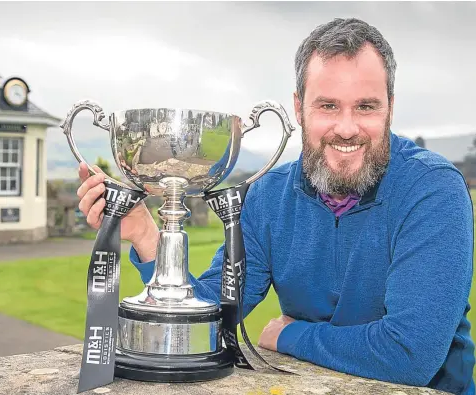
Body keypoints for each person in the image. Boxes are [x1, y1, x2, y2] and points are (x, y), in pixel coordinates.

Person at [76, 18, 475, 395]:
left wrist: (287, 335)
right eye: (328, 106)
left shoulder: (432, 189)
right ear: (299, 107)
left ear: (390, 106)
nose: (348, 127)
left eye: (366, 107)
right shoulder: (267, 195)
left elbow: (409, 355)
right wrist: (147, 235)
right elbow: (216, 319)